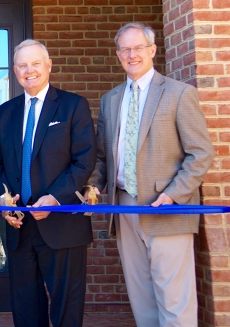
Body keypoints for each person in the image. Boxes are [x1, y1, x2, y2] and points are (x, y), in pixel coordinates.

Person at [86, 22, 214, 326]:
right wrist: (93, 187)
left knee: (174, 303)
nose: (132, 55)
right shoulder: (111, 99)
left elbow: (201, 153)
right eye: (125, 49)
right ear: (118, 54)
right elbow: (103, 156)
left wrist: (174, 194)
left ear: (152, 50)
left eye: (138, 47)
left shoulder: (180, 94)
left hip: (166, 207)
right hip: (124, 207)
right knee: (142, 302)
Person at [0, 39, 97, 327]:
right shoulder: (4, 113)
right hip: (19, 226)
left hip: (62, 225)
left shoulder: (74, 106)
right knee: (25, 310)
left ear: (48, 65)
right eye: (22, 65)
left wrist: (55, 198)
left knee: (66, 310)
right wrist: (4, 201)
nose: (29, 70)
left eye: (36, 63)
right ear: (14, 71)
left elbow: (85, 160)